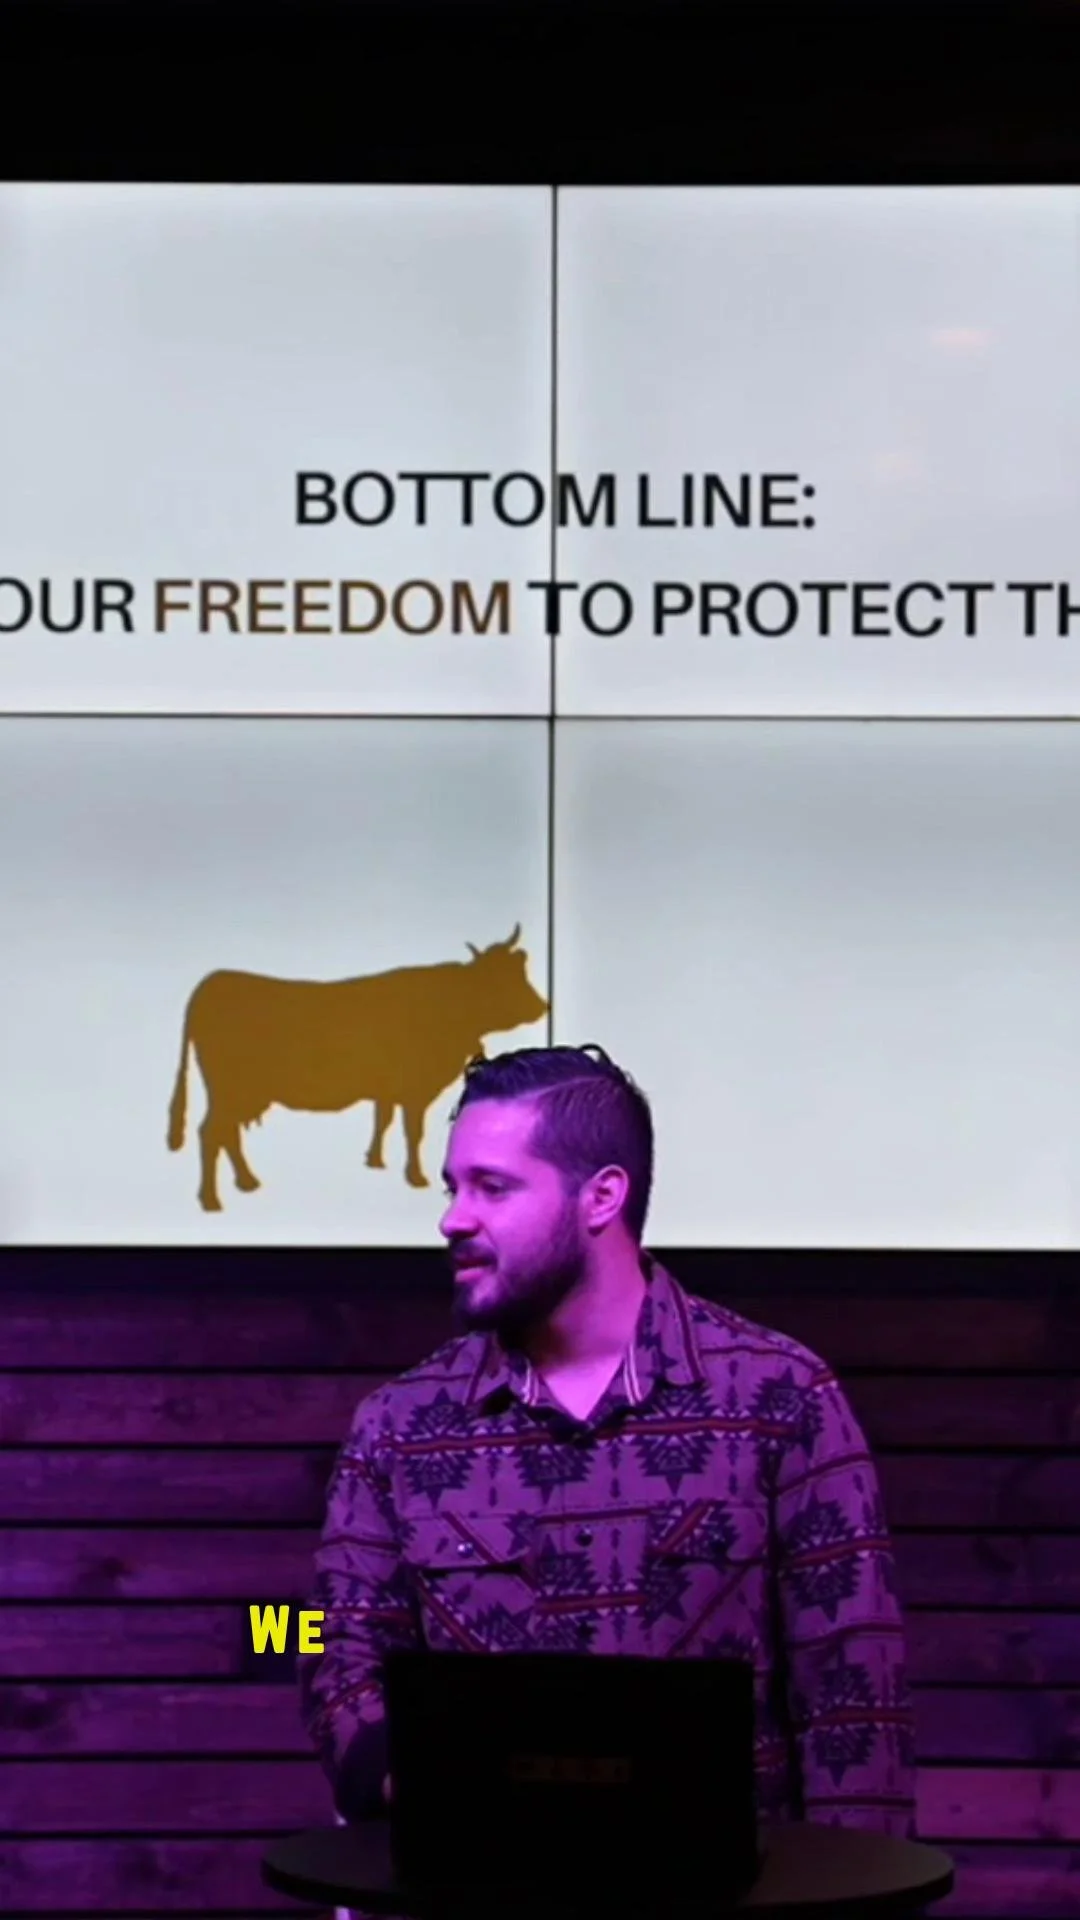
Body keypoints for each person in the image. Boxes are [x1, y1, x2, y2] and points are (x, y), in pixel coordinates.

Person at [298, 1044, 916, 1837]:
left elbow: (854, 1693)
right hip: (474, 1883)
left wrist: (856, 1885)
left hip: (730, 1892)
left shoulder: (781, 1399)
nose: (453, 1218)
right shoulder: (398, 1426)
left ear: (601, 1197)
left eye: (492, 1186)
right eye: (453, 1188)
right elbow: (324, 1639)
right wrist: (418, 1778)